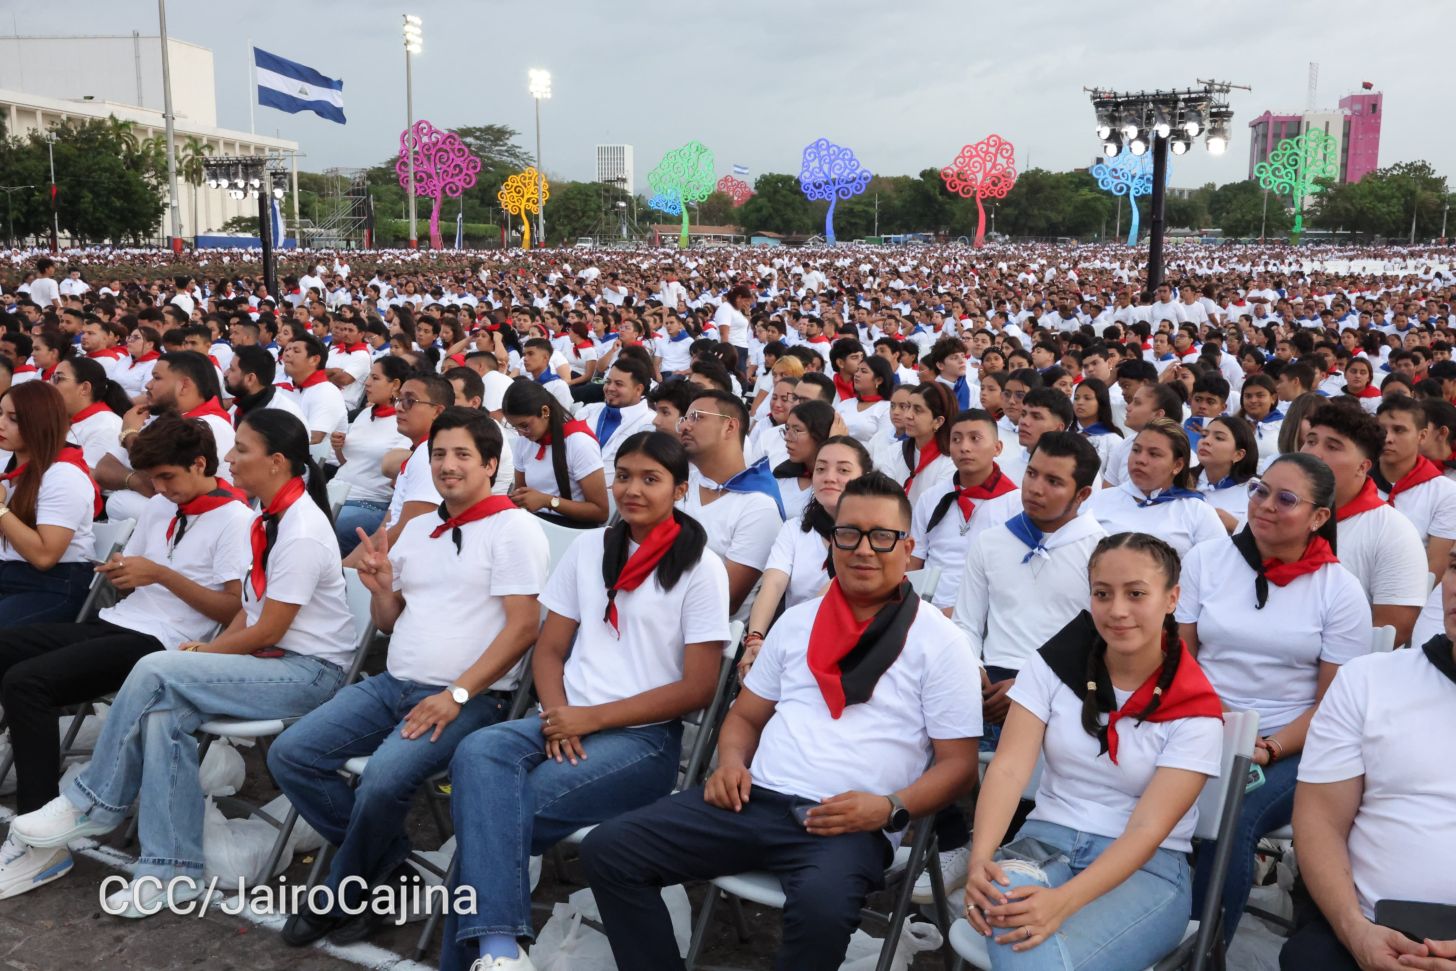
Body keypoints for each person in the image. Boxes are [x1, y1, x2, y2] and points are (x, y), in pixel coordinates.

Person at [581, 471, 981, 971]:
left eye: (882, 537)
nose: (863, 549)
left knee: (821, 912)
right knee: (609, 850)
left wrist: (889, 807)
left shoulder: (940, 642)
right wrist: (728, 762)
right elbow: (745, 717)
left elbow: (959, 766)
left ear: (908, 547)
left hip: (846, 823)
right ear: (831, 540)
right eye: (848, 534)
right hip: (754, 799)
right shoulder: (797, 621)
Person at [7, 409, 355, 916]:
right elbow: (253, 616)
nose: (230, 458)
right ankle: (172, 870)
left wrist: (204, 653)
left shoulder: (296, 528)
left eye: (241, 449)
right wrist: (204, 654)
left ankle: (92, 802)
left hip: (306, 672)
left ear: (276, 461)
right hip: (271, 659)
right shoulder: (271, 517)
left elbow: (269, 630)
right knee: (163, 714)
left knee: (156, 668)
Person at [439, 430, 731, 971]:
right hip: (565, 717)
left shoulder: (701, 568)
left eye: (651, 479)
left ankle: (490, 955)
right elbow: (549, 653)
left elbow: (698, 688)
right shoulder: (591, 547)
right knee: (478, 753)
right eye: (623, 476)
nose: (631, 489)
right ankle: (501, 953)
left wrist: (589, 718)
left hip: (641, 740)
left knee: (495, 815)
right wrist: (559, 717)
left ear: (680, 489)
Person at [269, 408, 548, 946]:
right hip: (392, 684)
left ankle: (340, 891)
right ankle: (392, 872)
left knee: (381, 780)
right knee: (291, 754)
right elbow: (389, 622)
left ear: (491, 464)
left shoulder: (514, 529)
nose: (447, 465)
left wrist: (457, 694)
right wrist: (380, 590)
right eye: (438, 454)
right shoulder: (420, 527)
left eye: (463, 454)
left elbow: (522, 630)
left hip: (469, 697)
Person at [0, 416, 251, 896]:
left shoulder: (235, 518)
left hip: (164, 644)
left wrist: (158, 573)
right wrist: (120, 571)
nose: (159, 488)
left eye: (167, 477)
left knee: (27, 681)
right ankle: (37, 808)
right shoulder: (162, 506)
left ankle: (41, 840)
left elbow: (231, 607)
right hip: (121, 623)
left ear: (200, 463)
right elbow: (137, 576)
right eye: (153, 478)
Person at [964, 532, 1224, 971]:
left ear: (1171, 598)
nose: (1117, 610)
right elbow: (1008, 769)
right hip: (1045, 843)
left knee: (1031, 951)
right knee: (1013, 918)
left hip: (1147, 870)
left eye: (1136, 593)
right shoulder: (1053, 666)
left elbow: (1146, 830)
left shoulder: (1194, 705)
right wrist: (980, 861)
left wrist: (1062, 903)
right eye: (1103, 594)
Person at [1177, 453, 1373, 941]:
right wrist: (1210, 719)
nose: (1264, 505)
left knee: (1234, 814)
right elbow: (1180, 660)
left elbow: (1334, 706)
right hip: (1201, 719)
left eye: (1286, 499)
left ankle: (1200, 948)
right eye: (1260, 490)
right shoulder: (1207, 559)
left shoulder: (1339, 590)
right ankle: (1142, 914)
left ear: (1319, 517)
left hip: (1291, 744)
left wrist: (1269, 745)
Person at [1279, 548, 1456, 971]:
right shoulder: (1369, 680)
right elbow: (1319, 823)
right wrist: (1354, 931)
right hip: (1361, 928)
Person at [954, 432, 1106, 751]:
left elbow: (1102, 642)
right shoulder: (991, 541)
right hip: (989, 688)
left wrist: (1031, 690)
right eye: (1032, 473)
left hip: (1062, 692)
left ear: (1082, 494)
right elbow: (966, 624)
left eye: (1054, 481)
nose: (1035, 488)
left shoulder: (1101, 553)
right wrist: (975, 672)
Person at [742, 436, 874, 676]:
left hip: (853, 655)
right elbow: (773, 584)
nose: (829, 477)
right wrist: (755, 639)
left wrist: (786, 644)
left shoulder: (876, 536)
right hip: (792, 647)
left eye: (843, 470)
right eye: (821, 468)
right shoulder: (795, 528)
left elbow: (834, 593)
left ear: (864, 478)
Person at [1300, 400, 1428, 646]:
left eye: (1333, 446)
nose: (1314, 453)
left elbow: (1391, 632)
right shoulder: (1269, 509)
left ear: (1363, 466)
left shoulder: (1393, 532)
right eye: (1312, 441)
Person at [678, 388, 785, 615]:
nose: (685, 426)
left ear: (730, 426)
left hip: (698, 628)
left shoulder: (758, 505)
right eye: (685, 418)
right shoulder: (683, 481)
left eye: (697, 417)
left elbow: (726, 599)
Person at [0, 382, 100, 626]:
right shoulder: (12, 467)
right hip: (10, 575)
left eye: (13, 418)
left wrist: (1, 509)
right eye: (0, 413)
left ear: (40, 422)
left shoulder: (63, 475)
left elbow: (44, 556)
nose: (1, 423)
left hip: (53, 585)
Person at [100, 351, 235, 523]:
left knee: (119, 500)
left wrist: (129, 434)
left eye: (157, 378)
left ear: (184, 386)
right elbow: (103, 469)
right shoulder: (158, 419)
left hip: (197, 526)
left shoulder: (209, 425)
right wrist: (134, 481)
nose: (148, 385)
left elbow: (158, 484)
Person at [908, 409, 1019, 609]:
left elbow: (1012, 575)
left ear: (997, 448)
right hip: (926, 606)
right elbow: (915, 560)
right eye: (956, 439)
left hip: (981, 611)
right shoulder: (931, 498)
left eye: (975, 438)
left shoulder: (1015, 502)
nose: (964, 447)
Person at [1085, 418, 1225, 557]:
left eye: (1154, 454)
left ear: (1177, 465)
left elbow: (1214, 568)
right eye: (1136, 450)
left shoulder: (1197, 511)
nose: (1140, 459)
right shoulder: (1098, 501)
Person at [330, 356, 413, 555]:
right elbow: (351, 463)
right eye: (368, 377)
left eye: (375, 378)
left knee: (328, 528)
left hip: (369, 503)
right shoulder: (365, 414)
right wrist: (339, 447)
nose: (367, 383)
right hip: (336, 491)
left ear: (395, 385)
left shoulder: (403, 422)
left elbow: (394, 472)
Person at [502, 380, 609, 527]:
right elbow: (521, 493)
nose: (520, 433)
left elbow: (600, 512)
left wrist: (547, 501)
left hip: (571, 529)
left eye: (524, 425)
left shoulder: (579, 442)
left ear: (545, 411)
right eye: (514, 427)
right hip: (534, 523)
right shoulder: (525, 441)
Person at [1374, 395, 1456, 577]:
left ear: (1422, 435)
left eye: (1399, 430)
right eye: (1381, 430)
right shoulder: (1356, 481)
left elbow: (1436, 565)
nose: (1387, 438)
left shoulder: (1446, 493)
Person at [577, 357, 656, 488]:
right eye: (608, 382)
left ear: (638, 389)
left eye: (619, 384)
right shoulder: (588, 411)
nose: (610, 388)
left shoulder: (651, 423)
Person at [872, 381, 956, 505]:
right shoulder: (895, 451)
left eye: (917, 410)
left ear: (938, 421)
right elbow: (881, 496)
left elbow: (935, 507)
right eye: (908, 406)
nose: (907, 415)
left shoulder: (951, 462)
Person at [52, 357, 128, 468]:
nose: (51, 384)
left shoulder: (107, 426)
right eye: (52, 377)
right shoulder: (64, 418)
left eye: (58, 378)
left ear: (85, 388)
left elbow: (87, 476)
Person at [1192, 415, 1260, 530]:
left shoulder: (1256, 490)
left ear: (1238, 455)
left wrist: (1235, 525)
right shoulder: (1183, 481)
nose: (1206, 441)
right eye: (1204, 435)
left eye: (1219, 438)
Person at [772, 400, 835, 521]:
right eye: (787, 429)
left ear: (821, 433)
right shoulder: (781, 476)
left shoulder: (838, 484)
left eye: (797, 430)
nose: (787, 437)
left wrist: (834, 443)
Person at [280, 334, 347, 445]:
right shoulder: (289, 388)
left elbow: (314, 437)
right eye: (288, 350)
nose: (287, 354)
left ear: (314, 359)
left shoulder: (327, 391)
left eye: (296, 351)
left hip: (317, 460)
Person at [224, 345, 306, 428]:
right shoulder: (240, 404)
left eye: (231, 369)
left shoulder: (281, 415)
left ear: (250, 379)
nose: (225, 374)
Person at [835, 355, 894, 443]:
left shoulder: (887, 408)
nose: (857, 375)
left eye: (864, 371)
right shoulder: (844, 404)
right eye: (857, 370)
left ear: (878, 380)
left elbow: (882, 444)